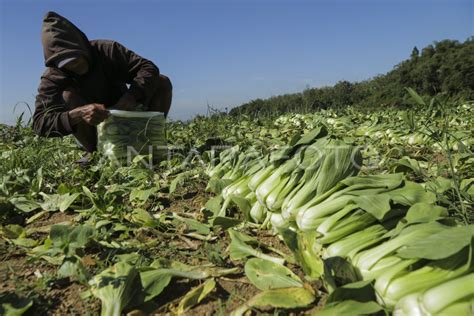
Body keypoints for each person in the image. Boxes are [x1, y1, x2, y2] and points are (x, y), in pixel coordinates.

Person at [33, 11, 172, 156]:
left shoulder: (107, 50)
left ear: (82, 47)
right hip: (91, 128)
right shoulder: (53, 76)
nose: (73, 65)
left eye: (75, 58)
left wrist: (133, 95)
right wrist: (79, 114)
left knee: (162, 81)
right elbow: (39, 123)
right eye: (65, 64)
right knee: (67, 96)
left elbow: (148, 68)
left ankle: (150, 141)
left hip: (126, 112)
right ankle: (95, 153)